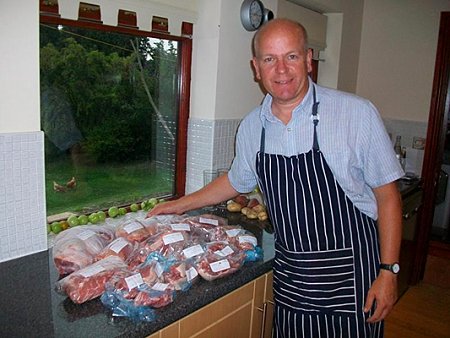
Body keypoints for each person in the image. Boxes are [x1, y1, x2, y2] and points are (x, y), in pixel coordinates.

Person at [148, 18, 404, 337]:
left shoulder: (356, 114)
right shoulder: (253, 127)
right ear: (256, 67)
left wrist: (389, 271)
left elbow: (388, 196)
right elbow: (236, 181)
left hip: (354, 282)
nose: (281, 69)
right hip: (294, 281)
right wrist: (180, 205)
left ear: (309, 59)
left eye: (291, 56)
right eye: (270, 59)